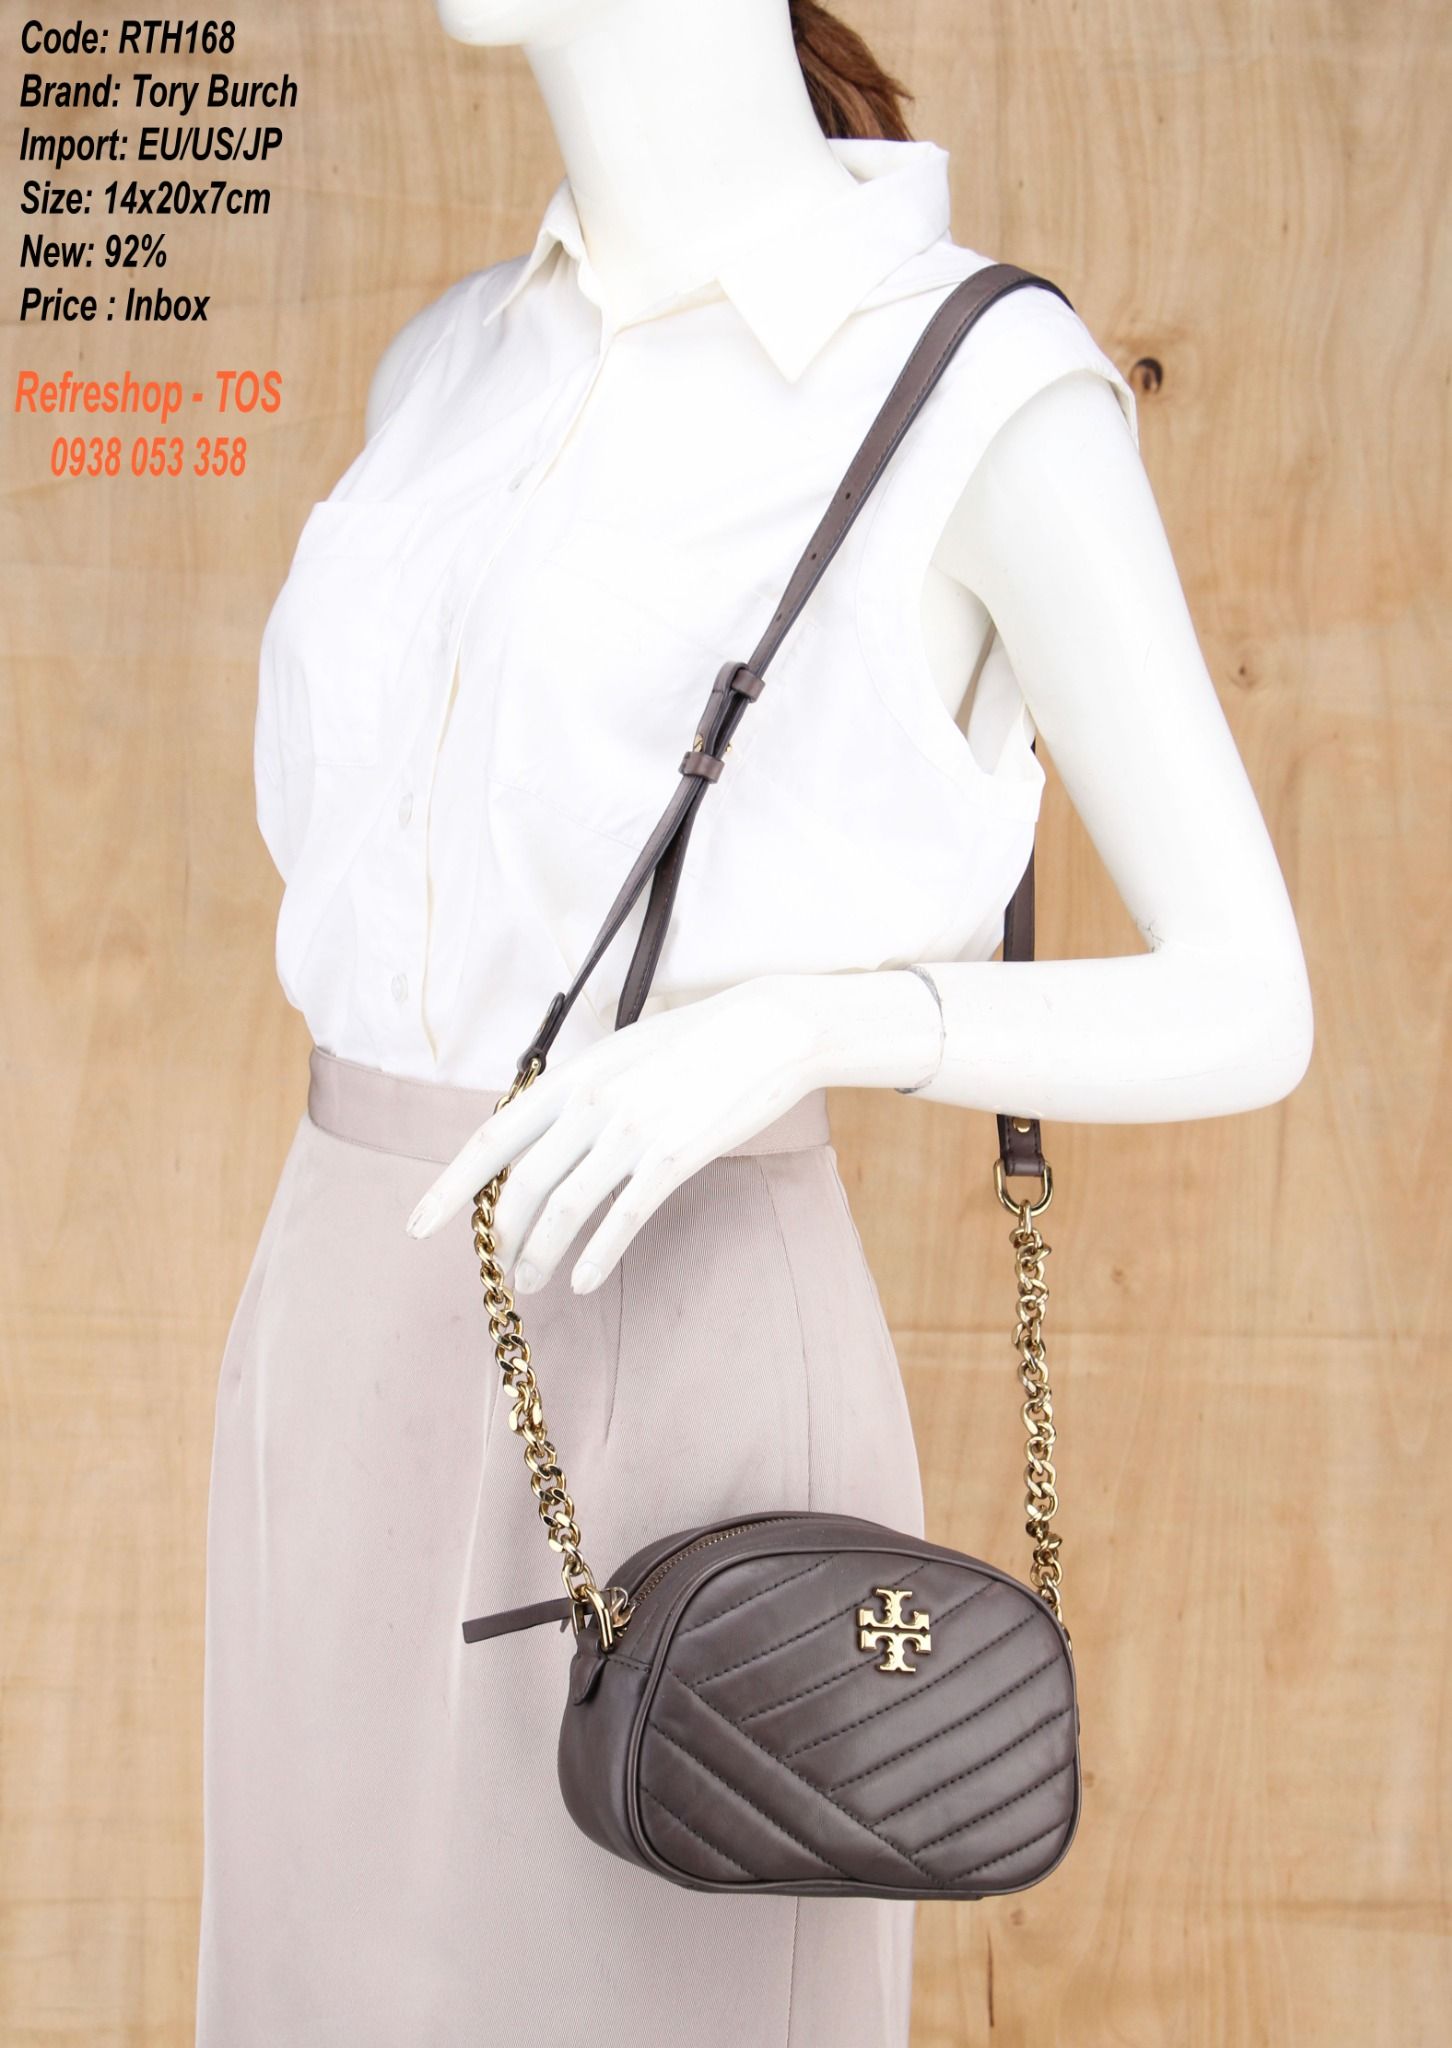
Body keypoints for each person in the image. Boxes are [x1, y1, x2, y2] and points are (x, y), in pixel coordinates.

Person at [195, 3, 1313, 2042]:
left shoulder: (972, 384)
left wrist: (812, 1021)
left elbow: (1254, 998)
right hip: (333, 1335)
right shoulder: (449, 365)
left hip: (677, 1336)